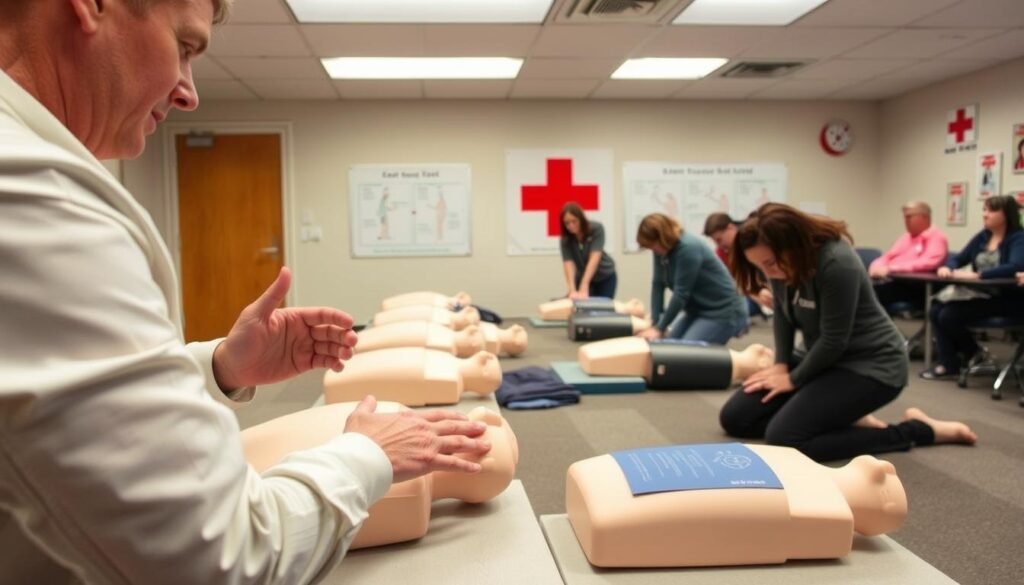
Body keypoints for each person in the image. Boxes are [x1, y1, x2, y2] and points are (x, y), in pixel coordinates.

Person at [0, 2, 491, 583]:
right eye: (184, 47)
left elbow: (38, 399)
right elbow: (219, 560)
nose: (188, 93)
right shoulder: (35, 199)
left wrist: (221, 365)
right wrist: (370, 455)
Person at [720, 203, 976, 462]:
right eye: (760, 266)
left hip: (871, 365)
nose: (768, 273)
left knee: (785, 439)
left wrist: (794, 380)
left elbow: (834, 340)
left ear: (793, 245)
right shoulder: (779, 261)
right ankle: (839, 416)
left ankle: (919, 430)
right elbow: (784, 316)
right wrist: (781, 366)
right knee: (736, 418)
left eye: (770, 264)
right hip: (820, 359)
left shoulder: (836, 262)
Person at [921, 195, 1024, 380]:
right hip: (980, 294)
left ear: (1006, 215)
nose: (985, 215)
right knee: (936, 310)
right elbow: (959, 258)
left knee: (949, 315)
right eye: (984, 210)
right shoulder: (982, 236)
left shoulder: (1018, 238)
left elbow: (1015, 266)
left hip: (1008, 299)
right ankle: (951, 362)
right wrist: (948, 267)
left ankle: (972, 353)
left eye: (991, 210)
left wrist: (980, 275)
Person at [635, 213, 748, 344]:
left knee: (682, 354)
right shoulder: (660, 250)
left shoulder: (688, 248)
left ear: (663, 237)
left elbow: (681, 294)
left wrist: (660, 328)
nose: (653, 250)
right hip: (697, 311)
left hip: (723, 311)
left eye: (653, 245)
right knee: (666, 347)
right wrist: (655, 324)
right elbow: (658, 285)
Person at [868, 201, 948, 309]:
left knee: (873, 294)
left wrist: (891, 268)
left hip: (919, 288)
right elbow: (888, 256)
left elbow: (927, 263)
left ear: (924, 217)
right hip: (898, 282)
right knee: (865, 289)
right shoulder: (906, 237)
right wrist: (875, 267)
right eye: (905, 217)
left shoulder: (937, 237)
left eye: (909, 217)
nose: (905, 221)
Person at [704, 211, 773, 313]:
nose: (718, 245)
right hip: (753, 294)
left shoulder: (755, 238)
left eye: (719, 239)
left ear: (730, 228)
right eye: (714, 241)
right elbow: (738, 282)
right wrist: (756, 294)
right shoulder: (721, 252)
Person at [560, 202, 617, 299]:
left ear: (581, 219)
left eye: (574, 221)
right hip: (582, 276)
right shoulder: (565, 239)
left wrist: (584, 284)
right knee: (579, 306)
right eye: (567, 223)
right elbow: (568, 264)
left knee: (601, 309)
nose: (571, 226)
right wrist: (572, 289)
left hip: (604, 276)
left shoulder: (597, 229)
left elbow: (594, 258)